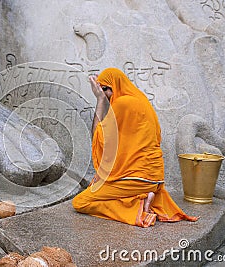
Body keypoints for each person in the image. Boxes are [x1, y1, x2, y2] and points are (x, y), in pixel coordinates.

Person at [72, 68, 198, 227]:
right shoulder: (141, 100)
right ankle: (144, 198)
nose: (104, 93)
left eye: (106, 89)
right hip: (154, 178)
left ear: (116, 85)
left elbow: (99, 137)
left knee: (80, 202)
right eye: (101, 89)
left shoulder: (122, 103)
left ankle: (139, 205)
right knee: (96, 186)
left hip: (136, 179)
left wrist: (99, 100)